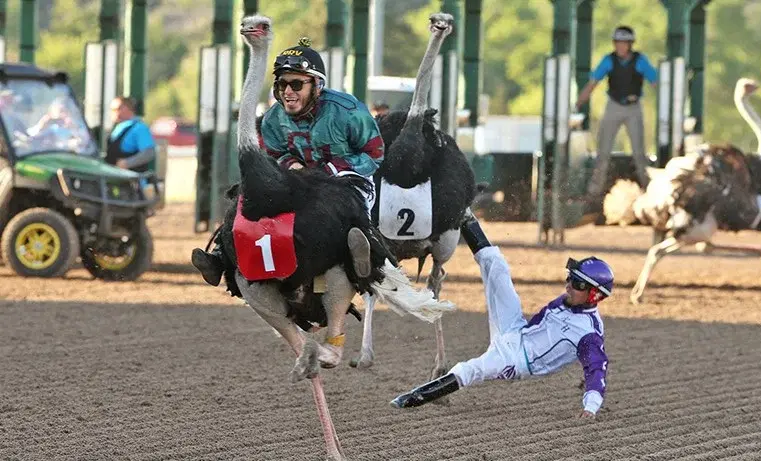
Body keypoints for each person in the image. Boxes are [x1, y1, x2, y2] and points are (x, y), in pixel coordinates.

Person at [192, 37, 383, 287]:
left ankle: (368, 256)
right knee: (247, 193)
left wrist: (332, 170)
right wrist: (289, 164)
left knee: (348, 203)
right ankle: (220, 255)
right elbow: (271, 154)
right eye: (282, 85)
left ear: (317, 85)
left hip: (346, 178)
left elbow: (375, 154)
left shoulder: (348, 110)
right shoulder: (272, 118)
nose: (288, 92)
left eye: (296, 84)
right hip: (297, 179)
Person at [391, 211, 612, 419]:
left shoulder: (588, 334)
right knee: (496, 266)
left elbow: (597, 369)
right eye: (570, 278)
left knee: (471, 369)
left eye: (577, 283)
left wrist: (590, 406)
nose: (568, 286)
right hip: (516, 330)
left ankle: (410, 400)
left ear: (594, 295)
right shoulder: (570, 301)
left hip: (516, 361)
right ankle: (465, 213)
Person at [575, 26, 658, 214]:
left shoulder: (640, 61)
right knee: (603, 151)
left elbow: (656, 81)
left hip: (633, 107)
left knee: (639, 152)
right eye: (618, 43)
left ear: (630, 44)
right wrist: (578, 103)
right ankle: (593, 193)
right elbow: (593, 83)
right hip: (613, 106)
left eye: (624, 43)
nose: (621, 46)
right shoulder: (609, 60)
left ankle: (649, 190)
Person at [105, 96, 156, 173]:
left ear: (128, 108)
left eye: (117, 109)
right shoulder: (118, 127)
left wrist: (127, 163)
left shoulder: (139, 128)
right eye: (112, 110)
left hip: (132, 180)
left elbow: (149, 152)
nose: (113, 112)